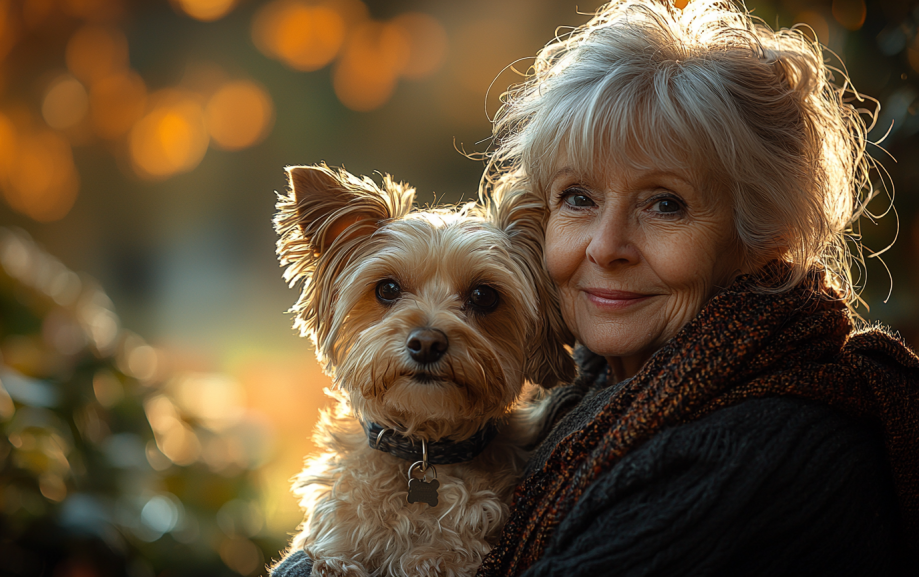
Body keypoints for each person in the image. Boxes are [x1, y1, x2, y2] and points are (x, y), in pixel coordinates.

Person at [474, 0, 917, 575]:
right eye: (578, 198)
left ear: (764, 236)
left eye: (666, 204)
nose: (606, 247)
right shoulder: (573, 400)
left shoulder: (751, 452)